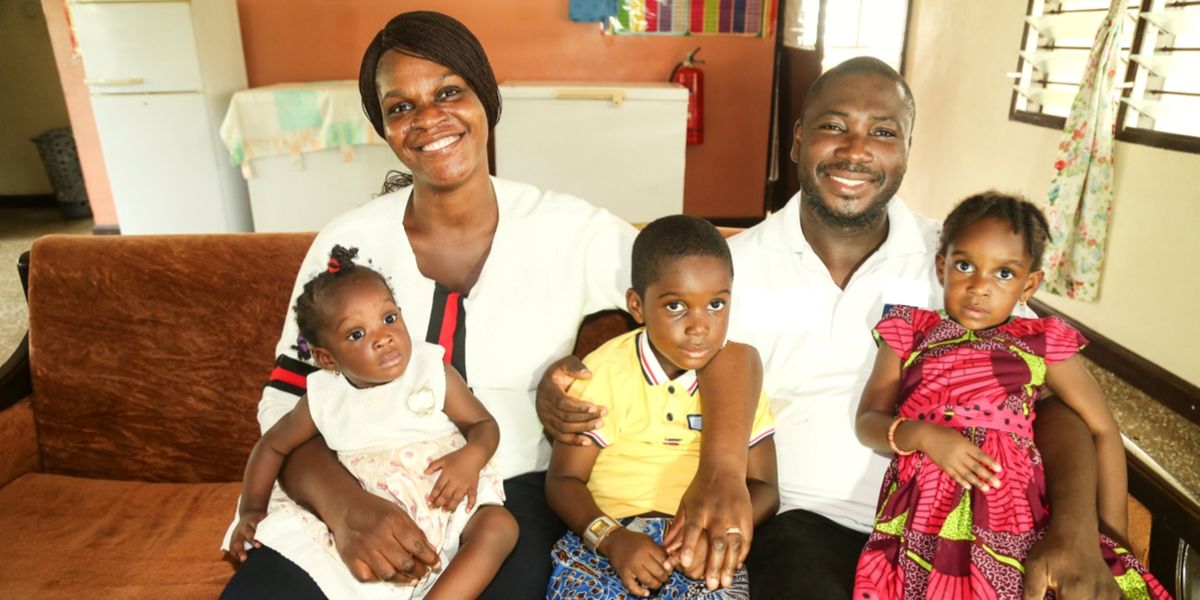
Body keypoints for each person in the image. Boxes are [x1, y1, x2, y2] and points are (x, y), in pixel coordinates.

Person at [539, 57, 1128, 599]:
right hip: (799, 525)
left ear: (908, 148)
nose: (855, 150)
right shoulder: (730, 267)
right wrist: (558, 377)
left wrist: (1078, 531)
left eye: (883, 131)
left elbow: (1052, 400)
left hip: (963, 527)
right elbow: (639, 339)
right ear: (798, 138)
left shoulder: (960, 262)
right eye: (833, 126)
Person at [221, 11, 756, 599]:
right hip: (357, 481)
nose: (429, 119)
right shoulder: (348, 247)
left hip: (509, 495)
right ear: (383, 129)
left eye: (450, 92)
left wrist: (722, 470)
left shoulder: (570, 230)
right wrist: (346, 508)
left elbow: (719, 329)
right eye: (401, 107)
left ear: (487, 98)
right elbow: (287, 406)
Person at [851, 193, 1170, 599]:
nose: (979, 287)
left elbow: (1102, 430)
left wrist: (1108, 540)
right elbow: (868, 422)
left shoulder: (1041, 342)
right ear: (941, 267)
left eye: (1004, 273)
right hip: (923, 520)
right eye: (965, 266)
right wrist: (922, 435)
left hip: (1015, 518)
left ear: (1028, 284)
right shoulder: (908, 331)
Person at [225, 245, 517, 599]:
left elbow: (483, 424)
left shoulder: (430, 370)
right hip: (373, 513)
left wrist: (471, 458)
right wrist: (251, 509)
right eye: (356, 334)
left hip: (446, 494)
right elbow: (272, 445)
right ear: (327, 359)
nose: (383, 337)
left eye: (389, 318)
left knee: (499, 528)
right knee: (344, 571)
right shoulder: (324, 398)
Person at [545, 216, 778, 599]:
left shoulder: (740, 384)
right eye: (676, 307)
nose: (699, 326)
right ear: (637, 306)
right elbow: (563, 480)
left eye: (716, 304)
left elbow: (765, 486)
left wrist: (720, 533)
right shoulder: (606, 371)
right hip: (609, 541)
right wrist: (612, 539)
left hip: (704, 548)